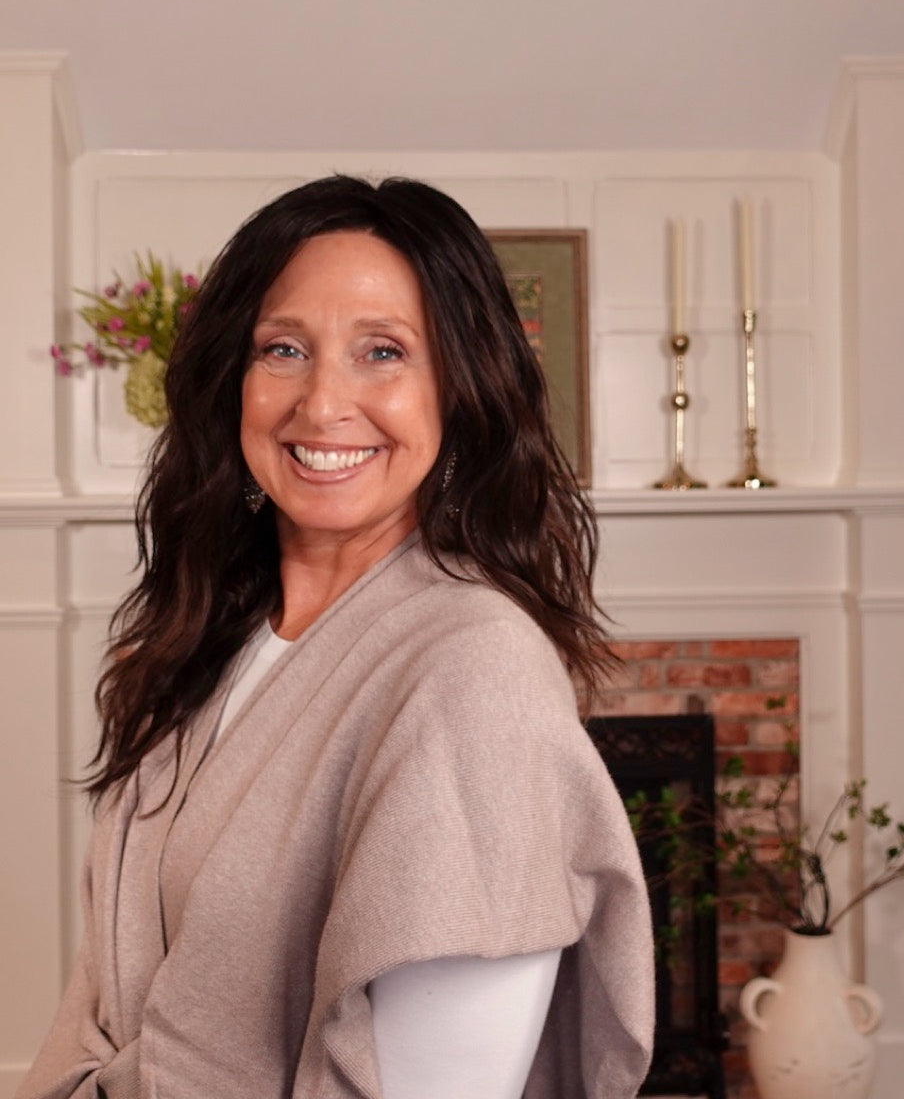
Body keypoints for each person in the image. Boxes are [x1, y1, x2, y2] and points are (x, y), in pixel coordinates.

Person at [19, 175, 654, 1099]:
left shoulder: (476, 670)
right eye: (283, 349)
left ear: (460, 391)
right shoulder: (215, 638)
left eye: (383, 352)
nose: (321, 405)